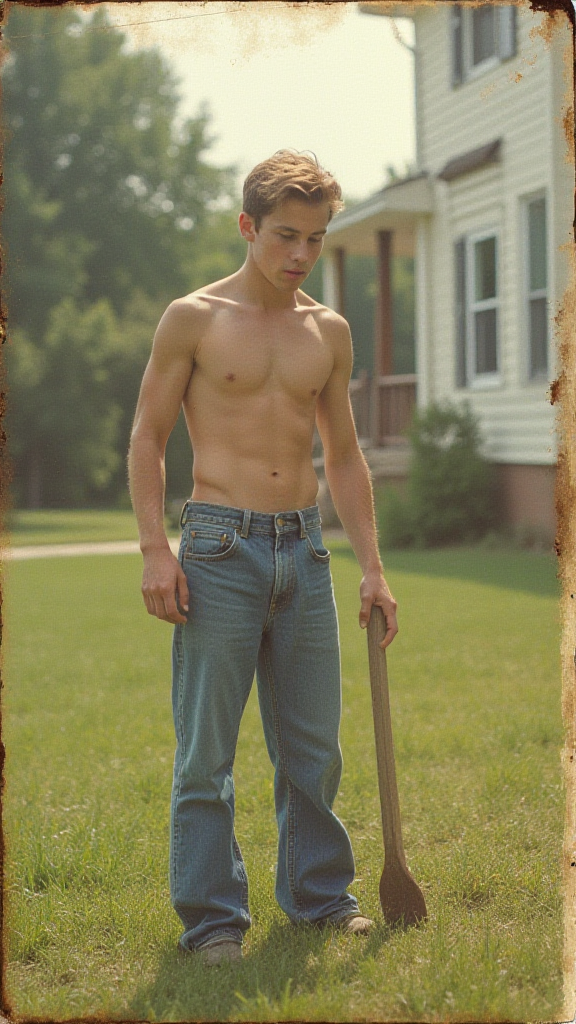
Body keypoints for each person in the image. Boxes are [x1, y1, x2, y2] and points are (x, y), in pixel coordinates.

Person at [128, 150, 398, 967]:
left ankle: (320, 900)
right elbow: (147, 434)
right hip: (217, 546)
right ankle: (213, 921)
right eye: (286, 235)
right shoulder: (194, 318)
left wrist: (373, 567)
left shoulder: (329, 331)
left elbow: (345, 457)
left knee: (313, 751)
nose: (301, 255)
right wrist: (153, 550)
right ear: (248, 227)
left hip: (304, 551)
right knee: (206, 754)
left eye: (316, 238)